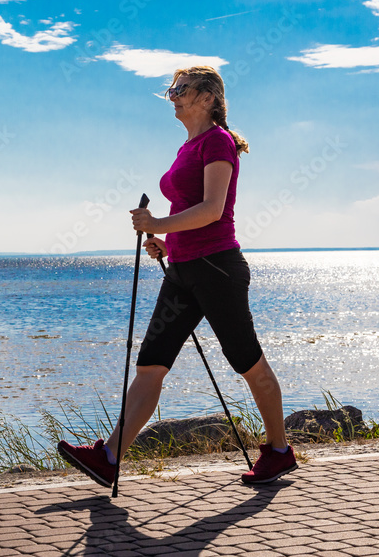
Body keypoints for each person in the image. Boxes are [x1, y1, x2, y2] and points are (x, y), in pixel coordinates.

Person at [58, 65, 297, 485]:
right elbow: (191, 214)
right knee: (151, 363)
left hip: (217, 268)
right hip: (183, 270)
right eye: (171, 88)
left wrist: (157, 224)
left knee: (247, 362)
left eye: (181, 88)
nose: (172, 95)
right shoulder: (187, 146)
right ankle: (110, 457)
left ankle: (278, 451)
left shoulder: (218, 142)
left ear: (207, 97)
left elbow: (212, 211)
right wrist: (167, 244)